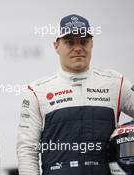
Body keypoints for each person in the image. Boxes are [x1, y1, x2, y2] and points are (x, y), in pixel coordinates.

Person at [17, 14, 134, 175]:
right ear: (56, 46)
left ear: (92, 44)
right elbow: (27, 150)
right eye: (69, 42)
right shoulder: (37, 91)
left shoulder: (116, 83)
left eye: (84, 41)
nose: (78, 48)